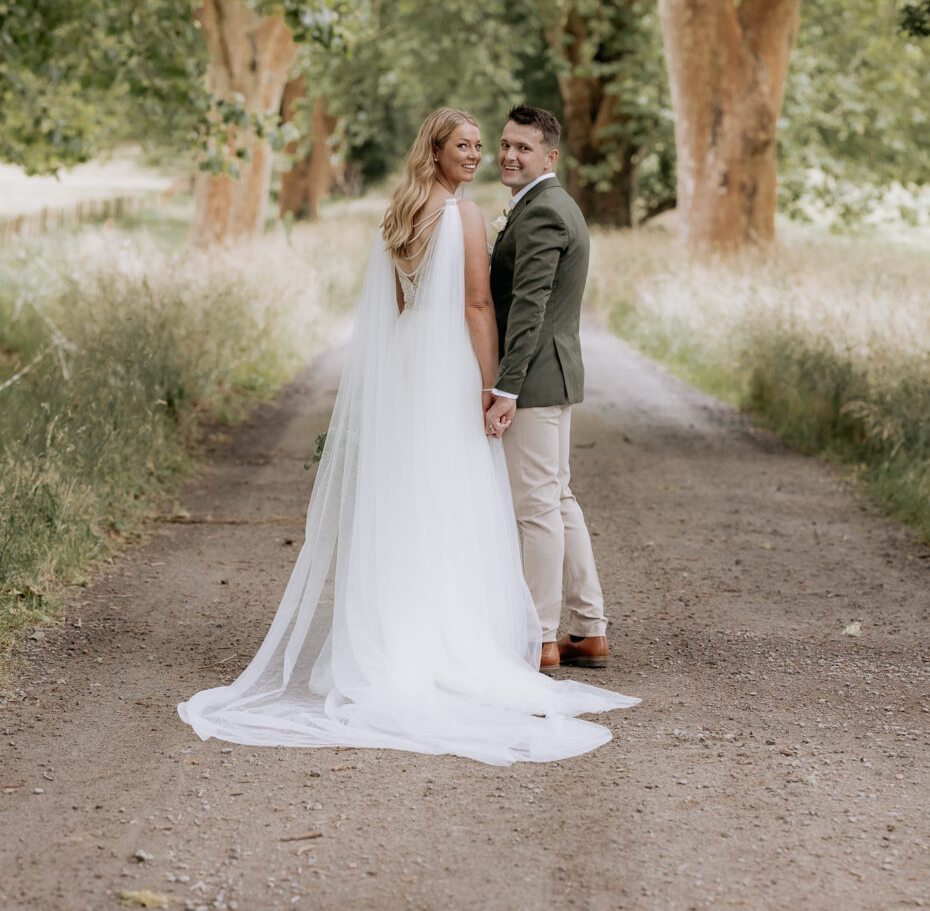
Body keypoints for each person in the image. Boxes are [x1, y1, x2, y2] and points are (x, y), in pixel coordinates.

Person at [178, 108, 639, 765]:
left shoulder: (402, 210)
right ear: (437, 149)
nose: (483, 156)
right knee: (469, 498)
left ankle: (432, 633)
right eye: (471, 145)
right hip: (454, 367)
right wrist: (490, 385)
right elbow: (479, 306)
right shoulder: (467, 215)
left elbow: (396, 309)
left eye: (493, 146)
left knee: (419, 497)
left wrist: (405, 379)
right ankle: (508, 637)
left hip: (411, 372)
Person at [485, 106, 611, 673]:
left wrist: (505, 388)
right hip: (554, 375)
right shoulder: (549, 205)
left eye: (524, 148)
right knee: (557, 501)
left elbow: (529, 307)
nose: (510, 155)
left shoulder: (541, 214)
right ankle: (588, 630)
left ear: (550, 156)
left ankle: (540, 636)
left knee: (535, 507)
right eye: (505, 144)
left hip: (533, 380)